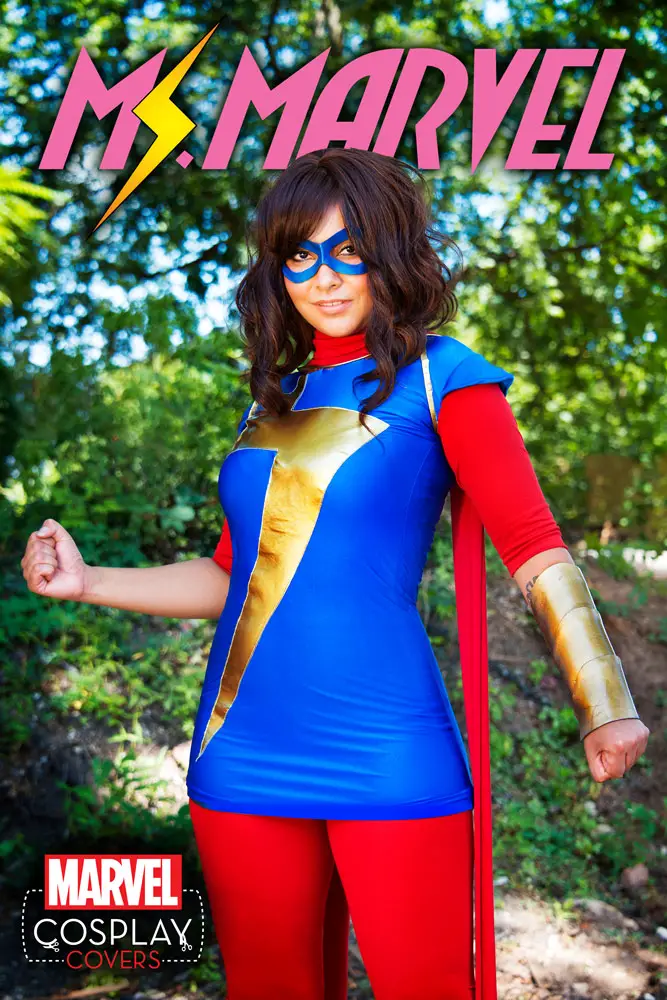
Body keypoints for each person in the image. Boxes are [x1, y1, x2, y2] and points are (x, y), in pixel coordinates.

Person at [22, 148, 650, 1000]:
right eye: (300, 254)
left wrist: (603, 701)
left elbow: (534, 544)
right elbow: (231, 578)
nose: (322, 276)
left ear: (391, 252)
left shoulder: (443, 376)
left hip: (387, 747)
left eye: (348, 250)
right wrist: (88, 580)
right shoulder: (270, 402)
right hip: (240, 748)